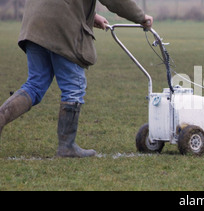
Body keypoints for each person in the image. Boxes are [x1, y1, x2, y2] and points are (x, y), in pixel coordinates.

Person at [0, 0, 153, 158]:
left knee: (34, 84)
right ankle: (67, 146)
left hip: (34, 24)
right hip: (61, 27)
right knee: (73, 87)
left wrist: (92, 16)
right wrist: (141, 17)